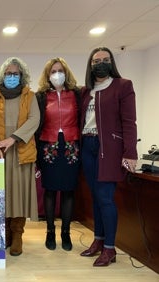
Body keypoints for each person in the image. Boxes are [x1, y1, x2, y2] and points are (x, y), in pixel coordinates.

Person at [79, 47, 138, 266]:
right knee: (94, 197)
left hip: (109, 149)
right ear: (90, 65)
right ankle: (98, 240)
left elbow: (129, 122)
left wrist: (130, 152)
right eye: (96, 61)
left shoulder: (123, 86)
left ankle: (110, 248)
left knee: (105, 198)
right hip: (88, 145)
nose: (101, 63)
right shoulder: (87, 91)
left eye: (105, 59)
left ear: (111, 62)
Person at [0, 57, 40, 256]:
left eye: (15, 73)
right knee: (2, 194)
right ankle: (5, 232)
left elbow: (35, 120)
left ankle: (17, 235)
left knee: (20, 195)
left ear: (22, 75)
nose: (11, 76)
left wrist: (13, 139)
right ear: (2, 75)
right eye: (8, 73)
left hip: (21, 151)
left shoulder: (30, 96)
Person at [35, 58, 80, 251]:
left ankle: (66, 232)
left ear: (66, 72)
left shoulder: (76, 94)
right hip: (48, 145)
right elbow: (36, 123)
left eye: (60, 70)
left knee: (69, 190)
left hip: (71, 145)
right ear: (47, 75)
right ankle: (51, 232)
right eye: (53, 71)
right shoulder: (41, 96)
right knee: (50, 190)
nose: (57, 74)